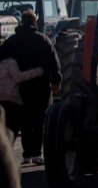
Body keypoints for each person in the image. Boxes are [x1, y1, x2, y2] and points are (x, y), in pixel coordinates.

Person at [0, 10, 61, 165]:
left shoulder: (12, 41)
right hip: (41, 87)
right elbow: (54, 63)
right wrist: (56, 82)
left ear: (22, 22)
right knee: (40, 120)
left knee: (25, 120)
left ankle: (26, 155)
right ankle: (37, 153)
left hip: (21, 88)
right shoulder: (44, 40)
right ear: (35, 22)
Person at [0, 56, 44, 141]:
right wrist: (37, 71)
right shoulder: (10, 63)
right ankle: (6, 151)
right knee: (12, 129)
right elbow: (18, 77)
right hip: (11, 100)